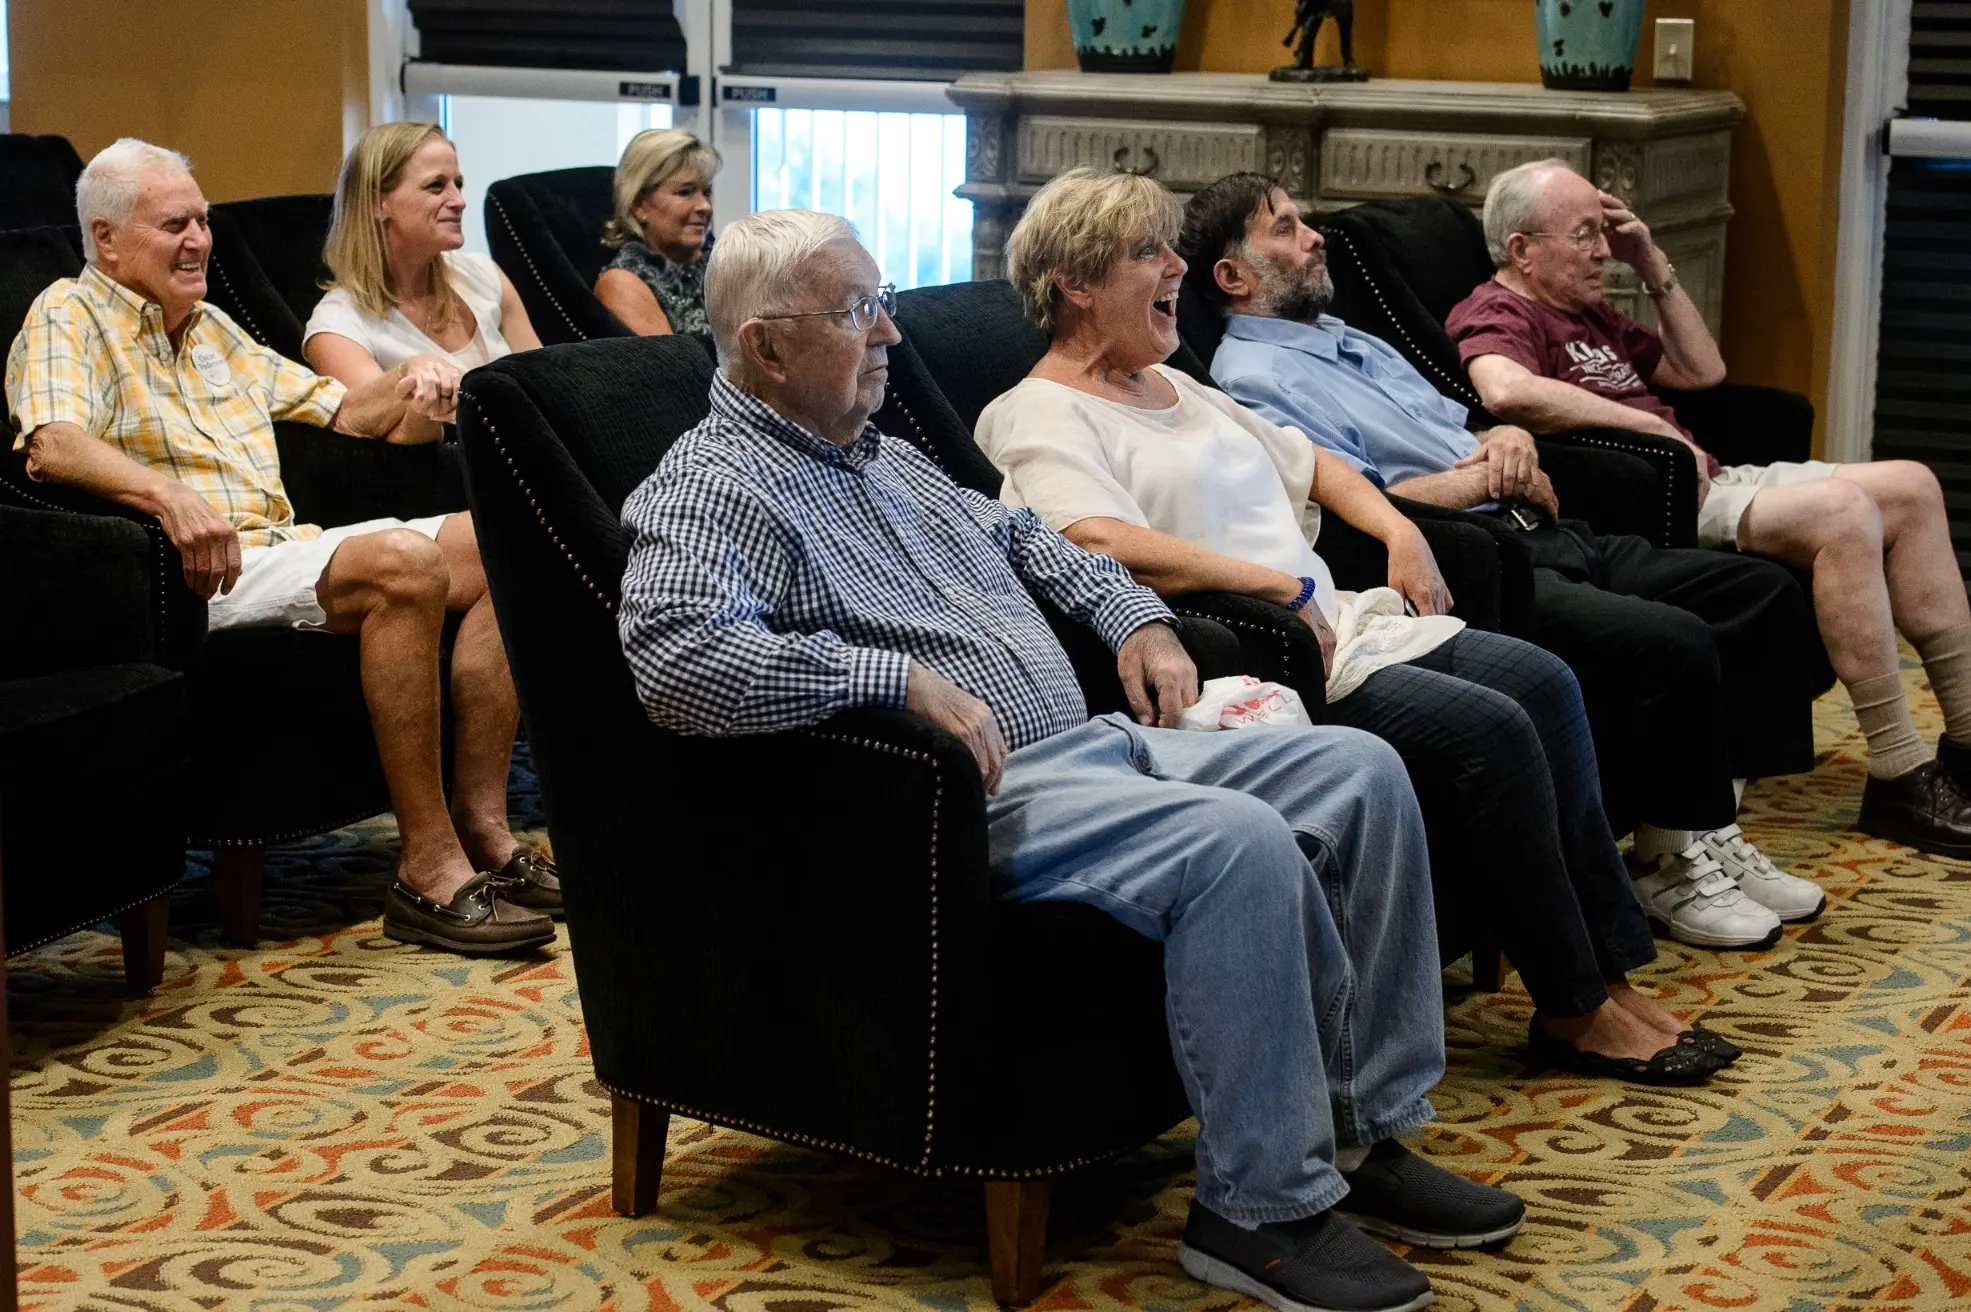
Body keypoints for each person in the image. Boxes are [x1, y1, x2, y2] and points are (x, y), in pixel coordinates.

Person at [618, 206, 1526, 1312]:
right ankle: (1259, 1211)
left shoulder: (879, 452)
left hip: (1093, 747)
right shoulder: (714, 486)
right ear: (765, 344)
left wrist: (1135, 617)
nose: (891, 338)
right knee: (1240, 848)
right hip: (963, 806)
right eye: (861, 314)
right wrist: (890, 681)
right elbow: (678, 657)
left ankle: (1360, 1133)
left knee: (1359, 772)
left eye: (887, 307)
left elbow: (1027, 536)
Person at [979, 166, 1741, 1086]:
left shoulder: (1178, 386)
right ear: (1075, 283)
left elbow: (1317, 464)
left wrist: (1399, 527)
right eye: (1149, 252)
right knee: (1493, 728)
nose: (1178, 266)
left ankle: (1611, 975)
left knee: (1544, 679)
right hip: (1267, 651)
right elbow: (1090, 536)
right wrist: (1274, 586)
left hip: (1341, 620)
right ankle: (1574, 1008)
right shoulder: (1038, 410)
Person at [1183, 170, 1831, 950]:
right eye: (1284, 228)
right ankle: (1671, 863)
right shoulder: (1252, 379)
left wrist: (1506, 439)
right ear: (1233, 276)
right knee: (1672, 638)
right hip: (1480, 547)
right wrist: (1477, 477)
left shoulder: (1347, 337)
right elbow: (1347, 497)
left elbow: (1463, 423)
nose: (1313, 235)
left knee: (1756, 592)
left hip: (1537, 516)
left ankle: (1701, 826)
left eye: (1303, 220)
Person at [7, 138, 559, 954]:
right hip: (188, 571)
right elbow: (50, 442)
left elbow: (342, 411)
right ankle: (427, 868)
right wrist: (169, 497)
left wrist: (411, 381)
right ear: (108, 238)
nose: (199, 240)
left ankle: (484, 828)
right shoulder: (68, 312)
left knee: (508, 539)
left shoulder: (212, 327)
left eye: (201, 221)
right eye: (174, 225)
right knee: (404, 564)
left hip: (277, 548)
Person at [1446, 158, 1971, 861]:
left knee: (1912, 484)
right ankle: (1898, 771)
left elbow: (1701, 372)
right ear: (1520, 250)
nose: (1602, 250)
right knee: (1845, 511)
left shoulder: (1590, 313)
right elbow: (1505, 391)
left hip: (1714, 475)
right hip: (1648, 496)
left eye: (1604, 234)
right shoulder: (1498, 309)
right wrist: (1654, 430)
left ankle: (1965, 742)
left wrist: (1649, 259)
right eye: (1584, 236)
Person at [305, 122, 542, 443]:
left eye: (458, 184)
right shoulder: (337, 328)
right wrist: (416, 402)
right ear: (378, 202)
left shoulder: (486, 275)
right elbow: (389, 452)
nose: (459, 201)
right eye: (436, 186)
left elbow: (545, 383)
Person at [594, 128, 718, 337]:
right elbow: (674, 367)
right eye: (685, 192)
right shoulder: (622, 283)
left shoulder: (720, 261)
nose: (705, 206)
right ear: (639, 205)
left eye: (707, 192)